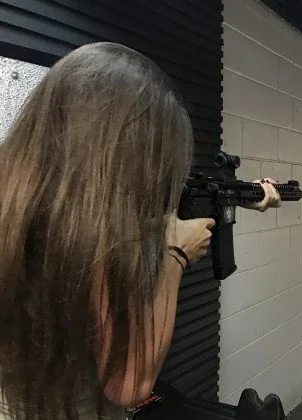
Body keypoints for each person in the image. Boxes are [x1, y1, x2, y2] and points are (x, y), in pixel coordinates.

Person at [0, 42, 280, 420]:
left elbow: (158, 209)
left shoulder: (24, 199)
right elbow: (129, 384)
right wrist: (176, 255)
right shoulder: (87, 235)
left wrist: (245, 195)